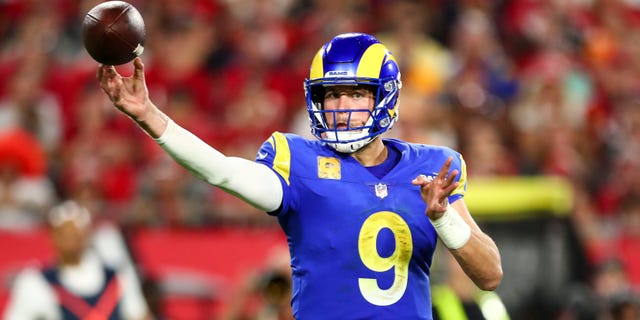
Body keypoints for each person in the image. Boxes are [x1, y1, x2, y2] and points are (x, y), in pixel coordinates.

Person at [97, 32, 502, 319]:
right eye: (331, 94)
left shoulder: (431, 168)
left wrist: (443, 217)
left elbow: (490, 275)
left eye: (356, 93)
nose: (341, 106)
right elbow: (223, 172)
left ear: (385, 97)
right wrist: (149, 115)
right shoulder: (298, 161)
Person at [3, 200, 151, 320]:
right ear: (53, 236)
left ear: (87, 234)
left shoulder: (118, 276)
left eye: (76, 233)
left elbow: (139, 315)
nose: (72, 238)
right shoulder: (34, 281)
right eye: (65, 233)